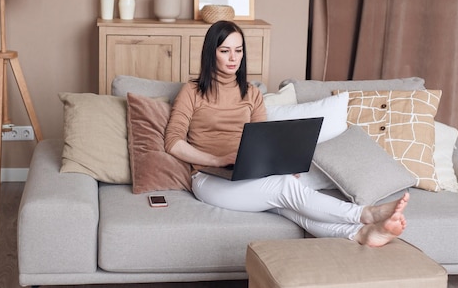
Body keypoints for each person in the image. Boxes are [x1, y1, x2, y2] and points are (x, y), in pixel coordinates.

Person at [164, 20, 408, 247]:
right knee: (284, 189)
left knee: (288, 203)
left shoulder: (251, 93)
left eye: (238, 50)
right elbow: (173, 142)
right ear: (211, 53)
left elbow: (262, 140)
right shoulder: (192, 91)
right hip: (209, 179)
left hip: (247, 174)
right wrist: (217, 160)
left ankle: (360, 234)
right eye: (225, 51)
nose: (233, 58)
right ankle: (365, 213)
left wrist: (279, 164)